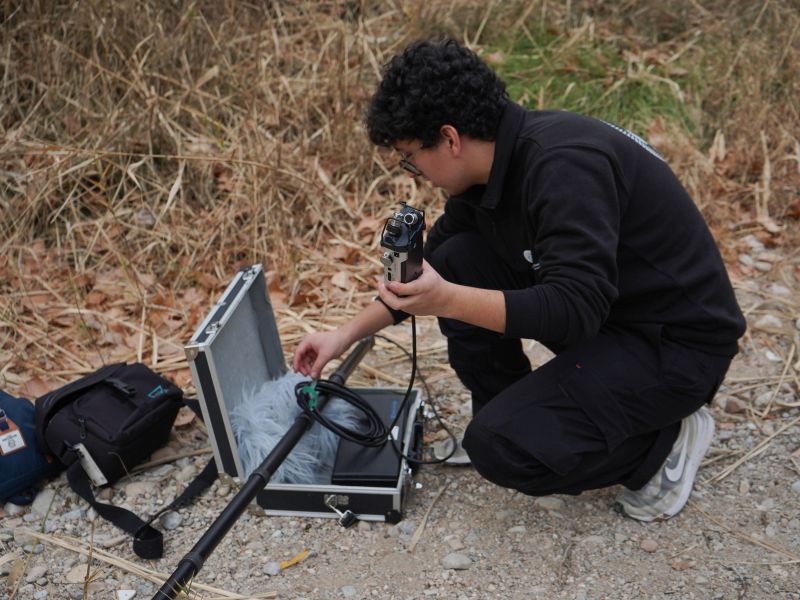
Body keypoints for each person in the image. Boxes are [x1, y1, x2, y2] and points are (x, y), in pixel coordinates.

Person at [293, 38, 745, 522]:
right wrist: (342, 335)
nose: (415, 173)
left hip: (677, 348)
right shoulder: (494, 170)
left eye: (410, 157)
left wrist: (446, 299)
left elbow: (574, 310)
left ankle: (662, 447)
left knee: (500, 449)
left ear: (449, 138)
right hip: (618, 322)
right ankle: (507, 408)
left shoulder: (564, 164)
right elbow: (436, 271)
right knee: (461, 255)